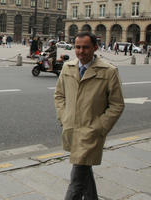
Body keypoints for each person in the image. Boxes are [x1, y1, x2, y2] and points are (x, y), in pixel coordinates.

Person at [55, 32, 125, 200]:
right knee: (84, 169)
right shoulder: (68, 67)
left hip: (91, 132)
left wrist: (100, 127)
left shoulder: (109, 71)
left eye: (86, 47)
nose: (81, 51)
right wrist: (63, 117)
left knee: (77, 180)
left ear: (95, 47)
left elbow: (117, 104)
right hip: (71, 128)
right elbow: (59, 95)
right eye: (78, 47)